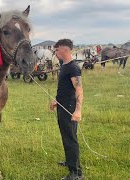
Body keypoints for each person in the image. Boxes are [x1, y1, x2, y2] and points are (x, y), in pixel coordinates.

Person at [50, 39, 84, 180]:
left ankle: (76, 173)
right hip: (63, 105)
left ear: (64, 50)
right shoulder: (64, 65)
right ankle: (71, 162)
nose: (55, 53)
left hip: (69, 108)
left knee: (70, 139)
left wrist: (78, 110)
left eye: (56, 50)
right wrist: (56, 101)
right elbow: (65, 88)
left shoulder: (73, 68)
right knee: (67, 137)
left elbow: (79, 90)